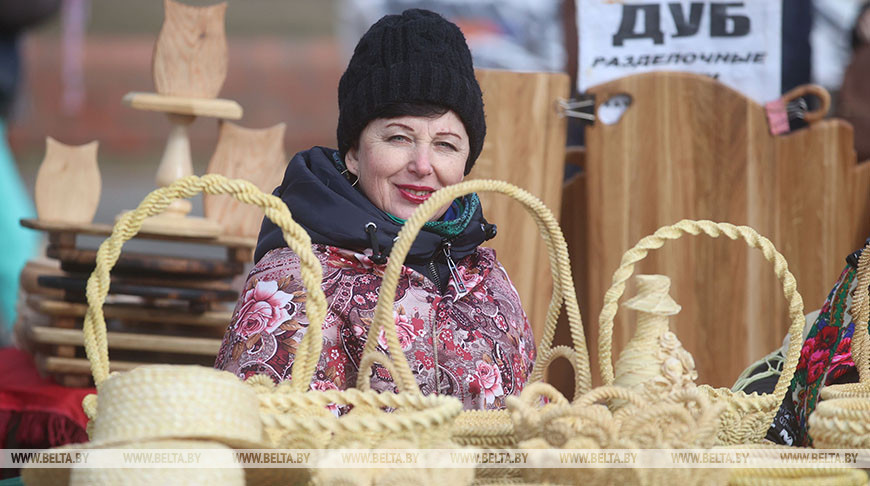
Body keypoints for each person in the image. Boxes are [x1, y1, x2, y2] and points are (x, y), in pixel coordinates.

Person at [215, 9, 536, 411]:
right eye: (399, 138)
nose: (422, 165)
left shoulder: (485, 275)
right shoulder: (296, 282)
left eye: (446, 145)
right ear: (354, 152)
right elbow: (265, 443)